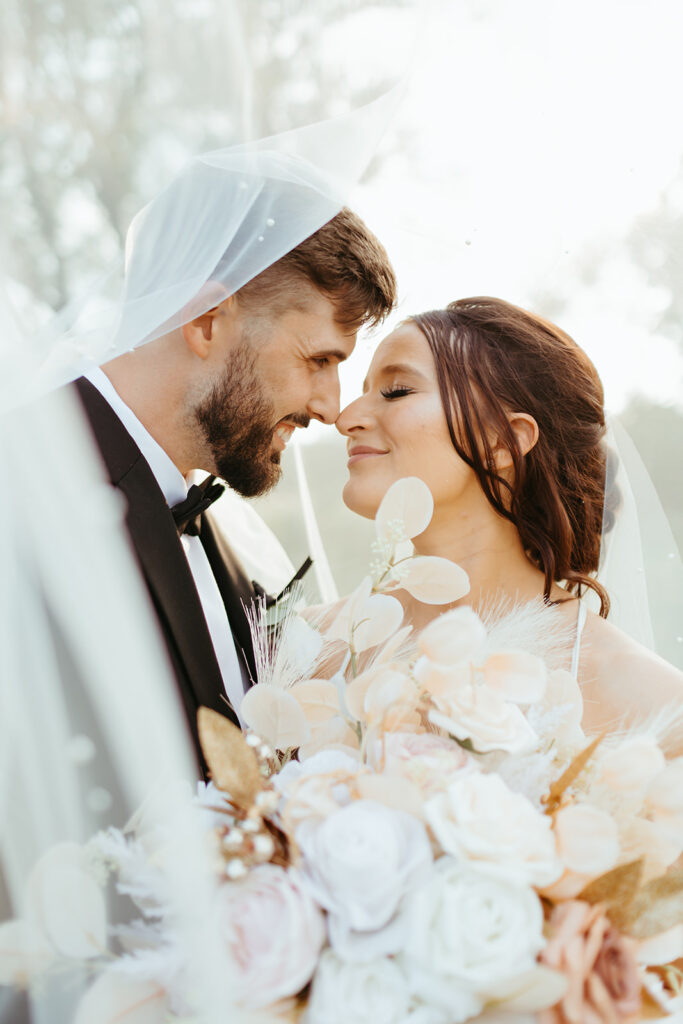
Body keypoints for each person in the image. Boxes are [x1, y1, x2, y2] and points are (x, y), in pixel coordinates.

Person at [74, 207, 396, 771]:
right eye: (317, 359)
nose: (330, 407)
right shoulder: (31, 491)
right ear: (204, 320)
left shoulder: (221, 534)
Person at [336, 296, 683, 742]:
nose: (346, 418)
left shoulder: (648, 703)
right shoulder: (313, 648)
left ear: (503, 441)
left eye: (397, 391)